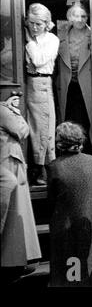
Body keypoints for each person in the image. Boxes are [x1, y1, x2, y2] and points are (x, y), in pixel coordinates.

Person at [48, 122, 92, 286]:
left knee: (69, 265)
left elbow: (51, 199)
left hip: (66, 223)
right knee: (91, 260)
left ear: (60, 143)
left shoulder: (54, 167)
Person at [0, 94, 41, 283]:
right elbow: (23, 131)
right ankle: (12, 262)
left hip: (9, 162)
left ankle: (14, 260)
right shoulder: (3, 111)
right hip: (9, 165)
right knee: (14, 218)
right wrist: (15, 111)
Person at [24, 3, 59, 185]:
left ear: (47, 23)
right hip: (29, 83)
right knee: (31, 127)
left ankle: (43, 171)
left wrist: (29, 42)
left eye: (38, 24)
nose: (34, 27)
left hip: (41, 83)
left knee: (42, 127)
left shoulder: (52, 39)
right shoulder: (31, 38)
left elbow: (37, 61)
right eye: (31, 23)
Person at [58, 3, 92, 155]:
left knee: (85, 122)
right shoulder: (62, 35)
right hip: (68, 86)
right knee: (68, 120)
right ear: (70, 17)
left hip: (86, 86)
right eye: (76, 16)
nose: (80, 19)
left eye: (84, 16)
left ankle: (86, 156)